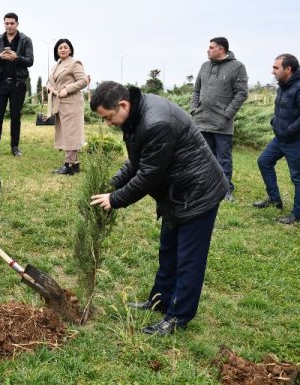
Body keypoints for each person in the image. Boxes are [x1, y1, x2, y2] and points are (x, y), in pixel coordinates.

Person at [90, 81, 227, 335]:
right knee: (169, 250)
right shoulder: (135, 117)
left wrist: (115, 198)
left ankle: (178, 316)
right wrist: (112, 184)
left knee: (188, 259)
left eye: (108, 118)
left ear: (122, 104)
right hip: (177, 194)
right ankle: (160, 301)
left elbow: (148, 175)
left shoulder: (156, 123)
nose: (108, 124)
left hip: (198, 194)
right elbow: (135, 162)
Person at [253, 54, 300, 225]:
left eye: (276, 68)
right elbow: (280, 110)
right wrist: (274, 122)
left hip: (298, 140)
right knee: (264, 161)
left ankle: (296, 216)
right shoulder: (283, 86)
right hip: (281, 138)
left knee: (299, 178)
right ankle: (275, 199)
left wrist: (288, 131)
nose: (272, 71)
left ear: (288, 69)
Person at [190, 37, 248, 201]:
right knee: (205, 157)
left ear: (221, 49)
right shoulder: (204, 66)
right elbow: (196, 90)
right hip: (201, 120)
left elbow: (242, 93)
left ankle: (226, 190)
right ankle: (208, 187)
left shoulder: (237, 67)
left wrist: (227, 114)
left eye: (211, 47)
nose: (208, 50)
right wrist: (194, 109)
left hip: (222, 123)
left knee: (223, 158)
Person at [0, 12, 33, 158]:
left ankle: (15, 147)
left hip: (18, 84)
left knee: (15, 117)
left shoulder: (25, 40)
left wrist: (17, 57)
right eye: (7, 23)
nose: (9, 26)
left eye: (12, 23)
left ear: (17, 24)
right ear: (4, 24)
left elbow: (30, 61)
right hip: (0, 83)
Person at [46, 39, 88, 175]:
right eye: (60, 48)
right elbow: (50, 82)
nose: (63, 49)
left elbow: (83, 81)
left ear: (70, 50)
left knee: (71, 133)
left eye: (65, 47)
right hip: (59, 104)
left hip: (72, 102)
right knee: (65, 133)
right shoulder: (56, 66)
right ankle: (75, 164)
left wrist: (67, 89)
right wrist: (50, 87)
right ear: (56, 51)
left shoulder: (75, 63)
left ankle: (68, 165)